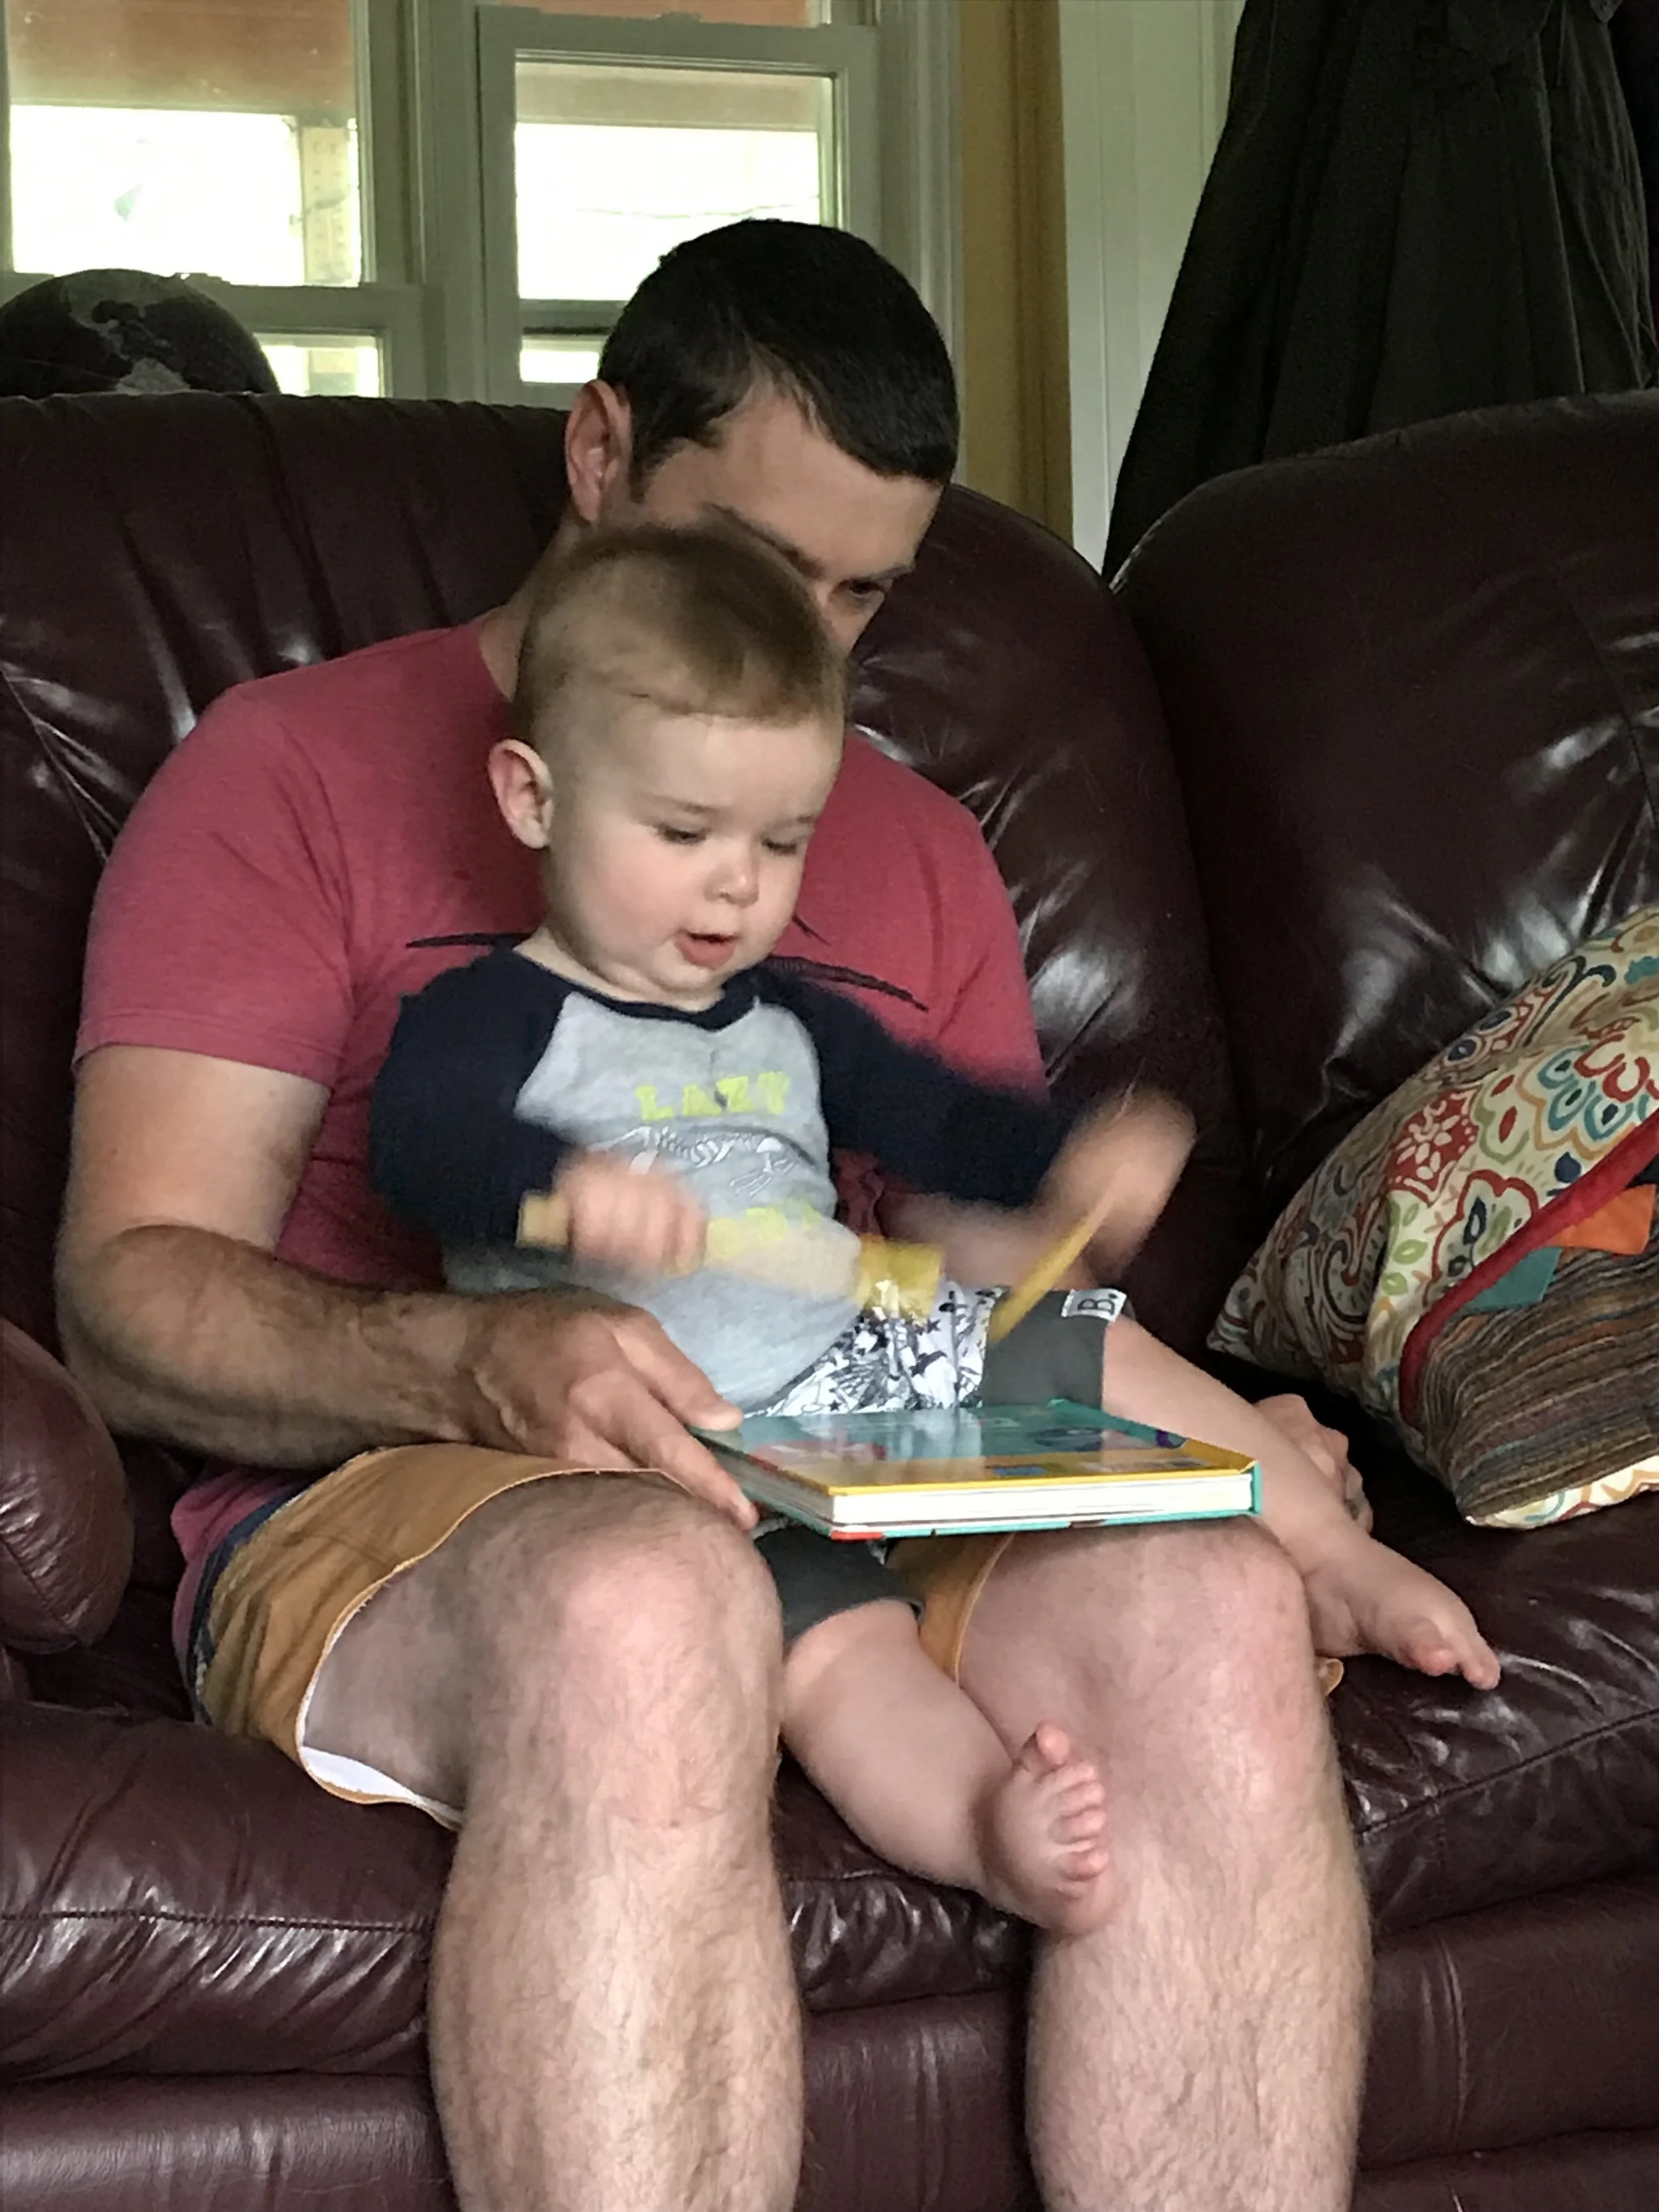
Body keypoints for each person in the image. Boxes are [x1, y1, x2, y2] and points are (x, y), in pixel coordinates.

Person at [61, 220, 1382, 2212]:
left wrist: (1209, 1439)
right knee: (648, 1601)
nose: (821, 653)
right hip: (411, 1494)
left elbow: (960, 1297)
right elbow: (127, 1295)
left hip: (825, 1459)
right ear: (599, 455)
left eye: (864, 593)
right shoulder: (292, 777)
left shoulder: (914, 847)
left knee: (1211, 1609)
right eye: (768, 567)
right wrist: (478, 1355)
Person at [370, 526, 1498, 1933]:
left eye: (780, 841)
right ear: (532, 797)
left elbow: (936, 1118)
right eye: (681, 834)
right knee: (836, 1658)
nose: (735, 885)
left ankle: (1322, 1556)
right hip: (668, 1443)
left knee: (1077, 1338)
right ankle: (980, 1820)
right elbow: (417, 1145)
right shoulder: (487, 1016)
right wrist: (548, 1185)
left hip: (849, 1351)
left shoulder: (784, 1017)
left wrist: (1071, 1158)